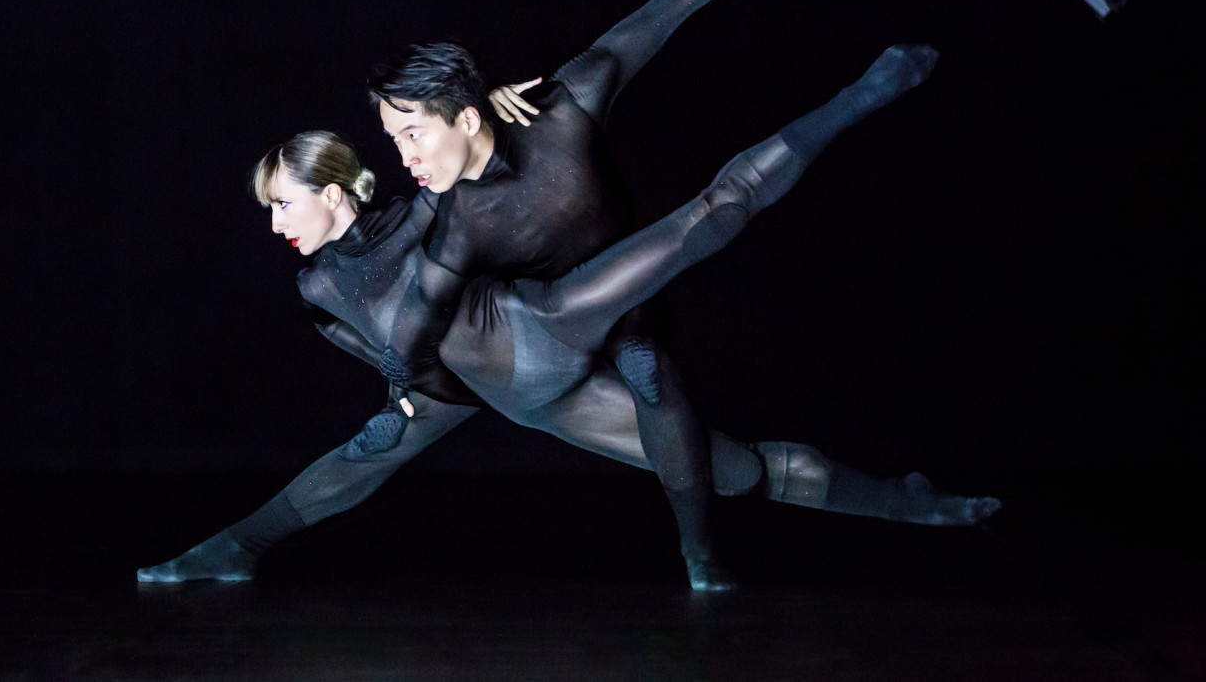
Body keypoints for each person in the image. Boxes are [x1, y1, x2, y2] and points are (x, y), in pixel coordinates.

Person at [137, 46, 1000, 589]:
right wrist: (398, 406)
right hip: (500, 391)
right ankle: (234, 546)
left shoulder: (424, 209)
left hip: (537, 330)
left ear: (330, 195)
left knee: (731, 439)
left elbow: (508, 203)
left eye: (283, 203)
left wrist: (499, 117)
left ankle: (908, 504)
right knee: (355, 463)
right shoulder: (315, 290)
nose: (276, 224)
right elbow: (408, 360)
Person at [370, 0, 843, 588]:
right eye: (396, 142)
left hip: (634, 299)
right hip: (560, 328)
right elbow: (425, 308)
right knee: (721, 452)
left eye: (412, 135)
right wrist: (397, 381)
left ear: (467, 119)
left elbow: (665, 10)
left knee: (649, 369)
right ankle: (705, 543)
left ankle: (699, 551)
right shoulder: (457, 220)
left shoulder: (565, 102)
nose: (405, 158)